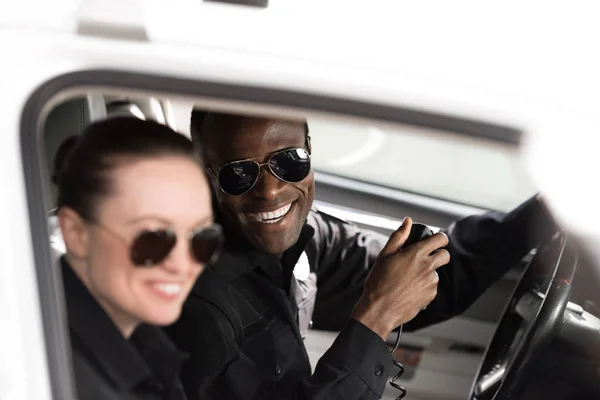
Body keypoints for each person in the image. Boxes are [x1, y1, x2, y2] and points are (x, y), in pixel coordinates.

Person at [165, 111, 556, 400]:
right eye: (239, 174)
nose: (269, 192)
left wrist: (548, 211)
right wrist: (377, 314)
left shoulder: (307, 237)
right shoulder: (192, 306)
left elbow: (430, 277)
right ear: (207, 176)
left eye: (289, 161)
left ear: (310, 151)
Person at [53, 117, 223, 400]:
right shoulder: (62, 377)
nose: (182, 265)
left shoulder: (138, 338)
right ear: (76, 233)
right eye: (154, 239)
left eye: (201, 238)